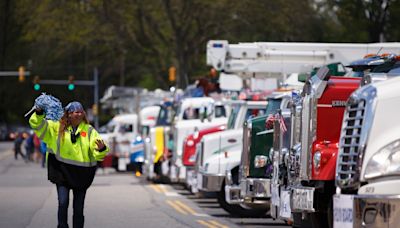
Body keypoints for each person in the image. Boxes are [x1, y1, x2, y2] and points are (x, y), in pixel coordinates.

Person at [29, 101, 109, 228]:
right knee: (63, 202)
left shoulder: (89, 130)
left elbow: (98, 152)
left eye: (81, 112)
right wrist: (38, 114)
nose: (79, 114)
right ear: (69, 114)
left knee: (78, 208)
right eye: (76, 112)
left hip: (82, 175)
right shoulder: (56, 127)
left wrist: (101, 149)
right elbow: (38, 125)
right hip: (61, 172)